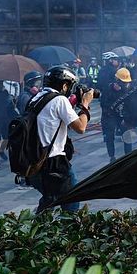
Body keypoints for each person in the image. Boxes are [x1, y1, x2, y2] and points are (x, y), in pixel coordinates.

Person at [28, 65, 93, 212]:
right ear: (64, 85)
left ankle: (36, 232)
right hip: (54, 163)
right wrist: (85, 104)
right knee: (72, 198)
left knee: (50, 199)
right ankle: (68, 231)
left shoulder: (37, 98)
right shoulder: (59, 101)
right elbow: (81, 128)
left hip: (35, 160)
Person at [96, 52, 123, 160]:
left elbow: (98, 85)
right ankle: (128, 153)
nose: (117, 61)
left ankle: (111, 156)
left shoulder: (101, 71)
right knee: (123, 128)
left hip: (106, 104)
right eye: (116, 59)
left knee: (109, 133)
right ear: (111, 60)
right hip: (115, 104)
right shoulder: (113, 71)